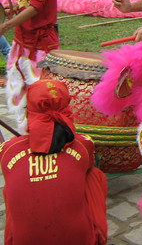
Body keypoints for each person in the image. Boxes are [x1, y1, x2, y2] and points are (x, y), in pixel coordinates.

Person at [0, 79, 107, 245]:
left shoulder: (7, 150)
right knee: (94, 175)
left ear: (29, 110)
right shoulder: (84, 144)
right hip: (79, 239)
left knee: (12, 188)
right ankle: (95, 233)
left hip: (23, 240)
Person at [1, 0, 59, 133]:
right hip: (21, 38)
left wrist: (5, 27)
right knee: (17, 88)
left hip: (42, 41)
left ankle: (46, 135)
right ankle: (25, 133)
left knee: (42, 91)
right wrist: (11, 10)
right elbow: (25, 1)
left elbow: (36, 6)